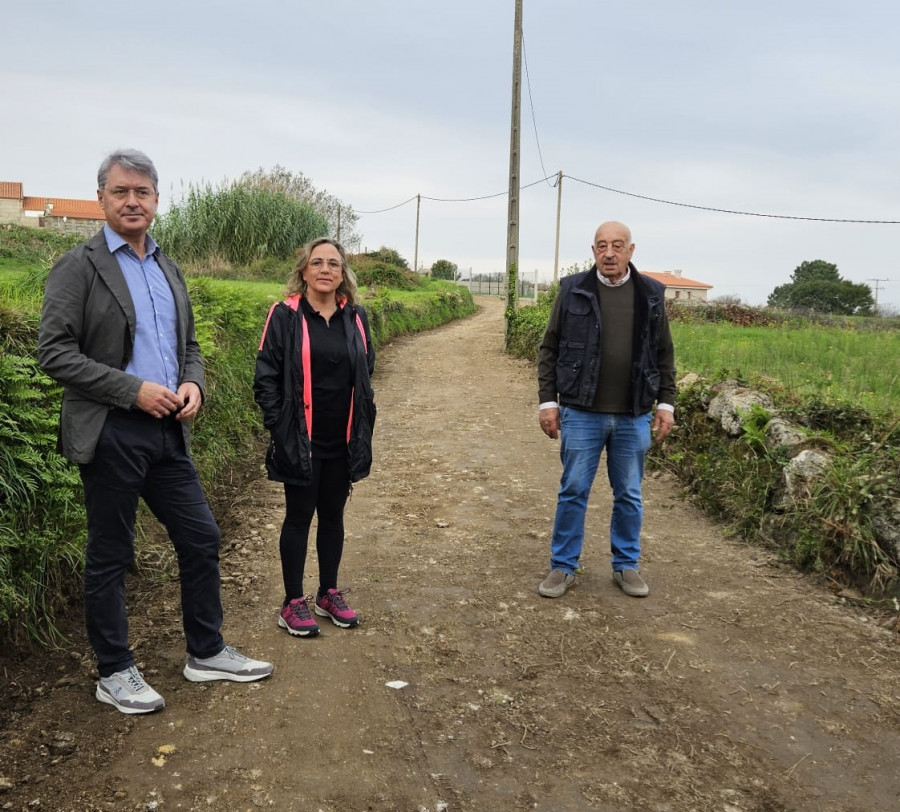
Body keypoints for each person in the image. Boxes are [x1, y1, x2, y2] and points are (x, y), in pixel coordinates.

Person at [37, 149, 274, 715]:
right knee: (112, 555)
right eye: (121, 192)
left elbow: (186, 346)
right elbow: (54, 352)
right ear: (101, 199)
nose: (132, 201)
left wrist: (192, 384)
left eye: (142, 192)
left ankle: (206, 651)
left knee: (201, 536)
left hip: (169, 432)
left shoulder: (167, 267)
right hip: (113, 430)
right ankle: (114, 671)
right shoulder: (79, 265)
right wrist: (132, 389)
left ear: (157, 200)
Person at [536, 221, 676, 599]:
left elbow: (663, 353)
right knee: (574, 490)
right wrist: (549, 402)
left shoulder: (651, 293)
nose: (609, 253)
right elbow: (550, 347)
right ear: (593, 251)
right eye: (601, 246)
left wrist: (666, 402)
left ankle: (626, 565)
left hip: (634, 414)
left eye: (617, 245)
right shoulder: (573, 289)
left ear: (631, 250)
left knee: (629, 493)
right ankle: (563, 567)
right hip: (581, 412)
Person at [254, 238, 376, 638]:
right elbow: (266, 376)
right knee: (298, 517)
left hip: (342, 439)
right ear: (304, 270)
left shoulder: (355, 318)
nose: (326, 269)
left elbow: (366, 368)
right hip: (300, 440)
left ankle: (327, 592)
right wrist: (281, 428)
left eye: (334, 264)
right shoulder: (285, 315)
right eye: (317, 262)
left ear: (343, 273)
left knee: (334, 517)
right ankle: (292, 601)